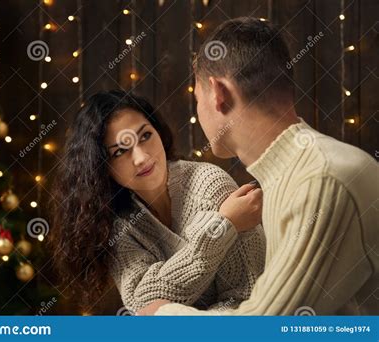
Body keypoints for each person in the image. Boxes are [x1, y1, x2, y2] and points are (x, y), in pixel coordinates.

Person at [140, 17, 379, 316]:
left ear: (218, 93)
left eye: (197, 98)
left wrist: (162, 314)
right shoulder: (295, 174)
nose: (198, 111)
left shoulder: (323, 179)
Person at [48, 90, 265, 313]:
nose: (141, 158)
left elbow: (245, 299)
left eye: (145, 136)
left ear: (158, 132)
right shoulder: (119, 223)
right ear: (102, 167)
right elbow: (142, 304)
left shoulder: (210, 186)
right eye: (120, 151)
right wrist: (220, 228)